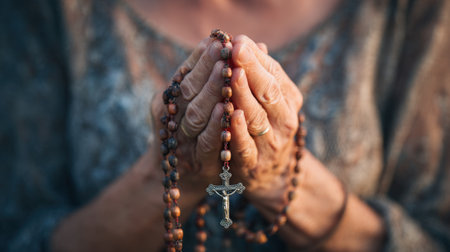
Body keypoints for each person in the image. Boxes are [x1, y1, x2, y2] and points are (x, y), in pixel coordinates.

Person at [1, 0, 449, 251]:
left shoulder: (409, 14)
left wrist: (282, 177)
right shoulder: (49, 13)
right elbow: (16, 233)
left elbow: (435, 236)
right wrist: (171, 175)